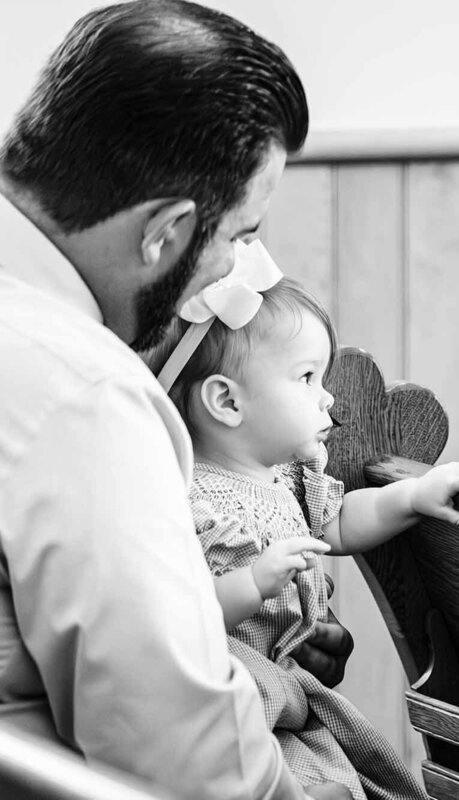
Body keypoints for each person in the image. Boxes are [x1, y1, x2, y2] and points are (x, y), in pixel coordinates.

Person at [0, 2, 350, 797]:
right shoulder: (81, 394)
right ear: (164, 233)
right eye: (237, 238)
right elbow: (188, 759)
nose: (234, 274)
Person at [151, 241, 459, 799]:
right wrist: (254, 582)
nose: (328, 398)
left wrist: (411, 497)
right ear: (227, 402)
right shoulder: (189, 499)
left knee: (352, 774)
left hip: (291, 689)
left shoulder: (289, 475)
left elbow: (338, 527)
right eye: (307, 377)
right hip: (231, 692)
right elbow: (182, 611)